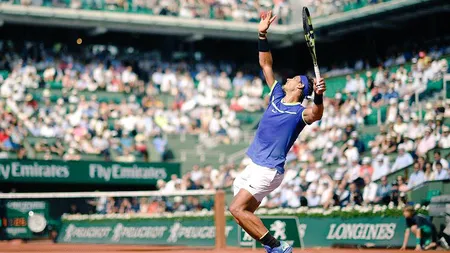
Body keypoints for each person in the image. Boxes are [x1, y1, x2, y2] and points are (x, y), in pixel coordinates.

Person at [230, 11, 327, 253]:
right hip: (254, 165)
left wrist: (318, 95)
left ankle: (278, 248)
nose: (289, 78)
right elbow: (265, 63)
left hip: (269, 168)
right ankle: (274, 247)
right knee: (241, 214)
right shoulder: (276, 96)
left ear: (300, 86)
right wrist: (262, 34)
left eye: (293, 78)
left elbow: (316, 115)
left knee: (236, 209)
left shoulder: (300, 113)